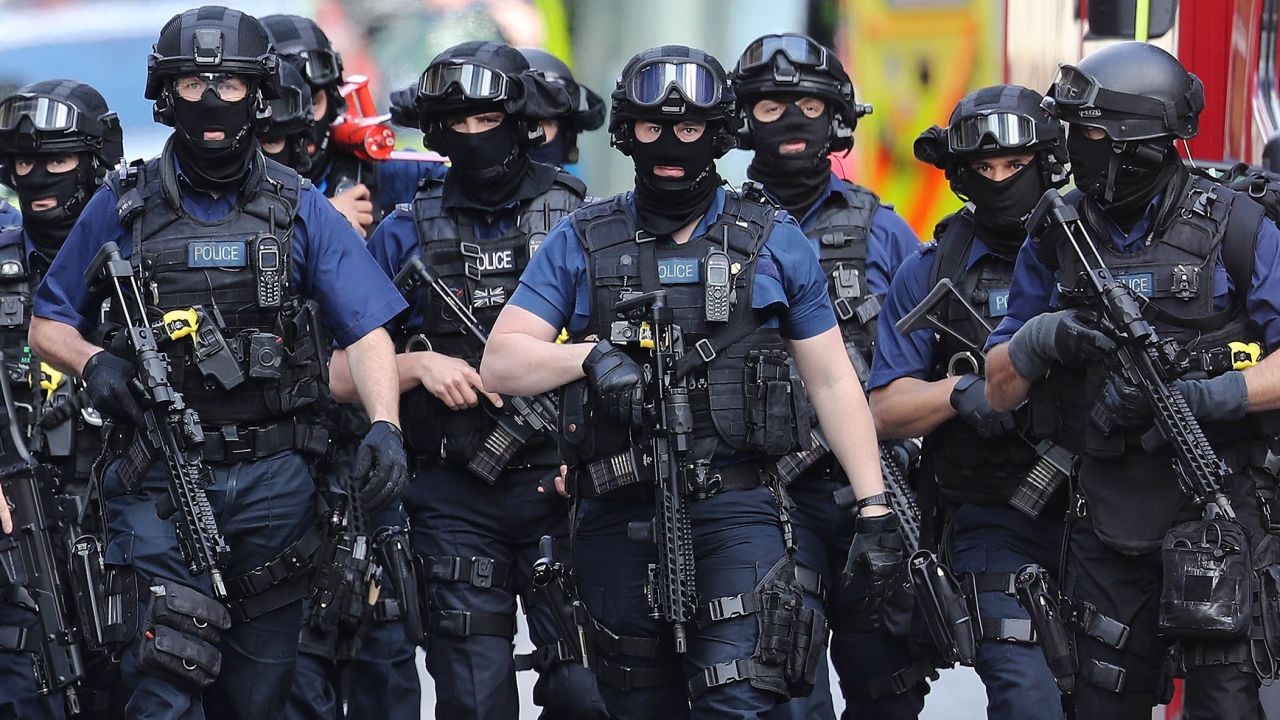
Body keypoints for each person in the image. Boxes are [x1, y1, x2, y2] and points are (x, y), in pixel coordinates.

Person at [479, 44, 900, 719]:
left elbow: (831, 382)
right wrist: (585, 358)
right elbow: (501, 361)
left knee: (740, 699)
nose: (670, 144)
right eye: (652, 128)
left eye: (690, 128)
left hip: (741, 512)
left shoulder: (773, 240)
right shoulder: (582, 238)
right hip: (618, 509)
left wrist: (874, 507)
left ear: (721, 132)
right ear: (626, 131)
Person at [27, 7, 408, 718]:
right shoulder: (123, 205)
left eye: (228, 85)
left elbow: (368, 328)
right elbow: (49, 322)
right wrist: (94, 366)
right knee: (165, 677)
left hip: (275, 487)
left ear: (258, 94)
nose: (209, 101)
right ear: (164, 95)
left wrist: (385, 422)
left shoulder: (300, 207)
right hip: (157, 478)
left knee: (257, 696)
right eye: (192, 83)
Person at [985, 42, 1280, 719]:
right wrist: (1040, 338)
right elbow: (998, 391)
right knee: (1099, 702)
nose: (1072, 149)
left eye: (1086, 134)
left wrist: (1211, 396)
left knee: (1226, 705)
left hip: (1219, 508)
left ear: (1136, 144)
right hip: (1106, 518)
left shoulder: (1237, 225)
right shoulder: (1056, 232)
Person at [327, 40, 607, 719]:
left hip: (565, 489)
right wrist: (418, 365)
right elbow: (336, 374)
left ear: (521, 119)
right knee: (474, 701)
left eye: (488, 119)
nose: (474, 136)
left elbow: (625, 355)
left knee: (587, 695)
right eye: (459, 123)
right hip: (452, 498)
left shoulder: (586, 223)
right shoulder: (402, 234)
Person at [729, 33, 924, 720]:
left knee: (889, 692)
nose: (790, 121)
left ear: (837, 117)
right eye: (771, 105)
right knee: (787, 686)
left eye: (808, 103)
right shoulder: (715, 229)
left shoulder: (886, 232)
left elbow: (925, 362)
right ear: (742, 118)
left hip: (871, 490)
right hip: (762, 498)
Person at [870, 84, 1070, 720]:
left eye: (1015, 167)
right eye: (984, 170)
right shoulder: (930, 272)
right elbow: (886, 408)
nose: (1001, 182)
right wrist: (960, 394)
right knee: (1025, 695)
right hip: (992, 515)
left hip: (1105, 514)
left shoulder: (1096, 255)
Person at [259, 59, 422, 720]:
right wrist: (314, 225)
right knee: (294, 661)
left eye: (315, 100)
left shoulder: (391, 180)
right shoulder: (231, 198)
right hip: (280, 455)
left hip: (364, 451)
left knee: (384, 652)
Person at [0, 77, 124, 720]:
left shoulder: (146, 253)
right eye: (24, 161)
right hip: (21, 525)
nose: (38, 177)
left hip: (133, 517)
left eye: (58, 159)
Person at [260, 13, 447, 235]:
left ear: (333, 101)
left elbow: (483, 189)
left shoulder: (385, 173)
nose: (303, 123)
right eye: (285, 107)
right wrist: (323, 217)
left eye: (313, 103)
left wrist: (450, 123)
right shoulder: (228, 176)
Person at [517, 48, 605, 171]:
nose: (533, 134)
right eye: (521, 123)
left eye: (546, 124)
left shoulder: (575, 187)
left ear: (567, 137)